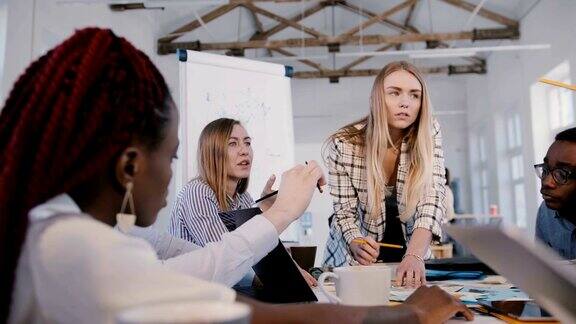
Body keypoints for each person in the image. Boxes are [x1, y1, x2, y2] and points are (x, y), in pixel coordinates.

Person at [0, 28, 472, 324]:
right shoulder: (75, 251)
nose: (173, 178)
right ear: (128, 166)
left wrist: (269, 212)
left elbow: (181, 267)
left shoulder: (73, 233)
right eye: (171, 156)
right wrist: (407, 315)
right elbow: (229, 305)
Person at [323, 61, 447, 288]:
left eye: (414, 95)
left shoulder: (429, 131)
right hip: (355, 259)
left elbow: (432, 197)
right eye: (394, 93)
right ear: (377, 98)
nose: (405, 103)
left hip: (411, 254)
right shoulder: (344, 144)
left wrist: (415, 255)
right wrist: (355, 242)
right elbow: (344, 211)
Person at [169, 117, 316, 286]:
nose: (244, 150)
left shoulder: (243, 197)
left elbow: (259, 245)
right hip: (193, 298)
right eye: (233, 143)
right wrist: (284, 274)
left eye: (247, 143)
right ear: (212, 152)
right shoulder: (197, 191)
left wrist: (293, 268)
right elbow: (230, 259)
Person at [534, 127, 576, 259]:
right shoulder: (546, 213)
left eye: (562, 173)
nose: (546, 182)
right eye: (546, 169)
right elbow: (541, 272)